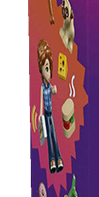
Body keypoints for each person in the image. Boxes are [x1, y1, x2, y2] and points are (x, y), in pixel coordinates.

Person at [38, 39, 63, 173]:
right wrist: (40, 116)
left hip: (51, 114)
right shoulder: (42, 87)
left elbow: (54, 92)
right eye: (47, 69)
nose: (49, 73)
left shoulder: (49, 86)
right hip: (46, 114)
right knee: (48, 138)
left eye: (49, 69)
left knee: (54, 135)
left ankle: (58, 158)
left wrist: (55, 89)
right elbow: (41, 102)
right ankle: (52, 160)